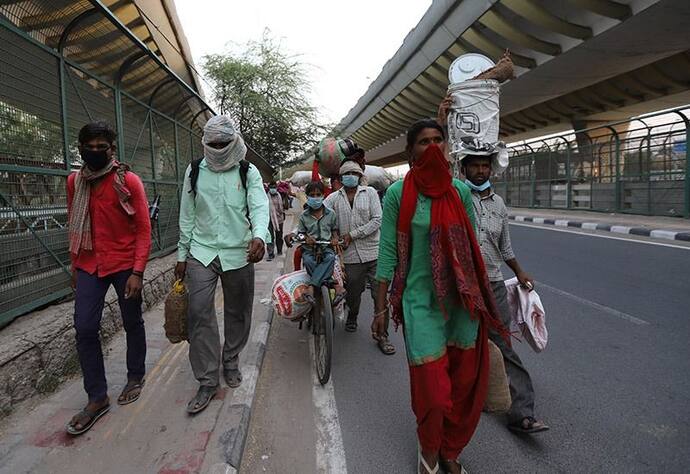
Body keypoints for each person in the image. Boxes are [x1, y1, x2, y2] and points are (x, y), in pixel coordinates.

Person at [372, 119, 507, 474]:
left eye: (437, 140)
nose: (432, 147)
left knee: (463, 387)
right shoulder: (398, 195)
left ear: (447, 146)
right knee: (432, 392)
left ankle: (450, 450)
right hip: (420, 304)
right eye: (422, 142)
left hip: (461, 304)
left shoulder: (461, 192)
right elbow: (388, 252)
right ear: (410, 151)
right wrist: (380, 308)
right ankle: (429, 450)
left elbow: (471, 250)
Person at [175, 115, 269, 414]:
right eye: (212, 144)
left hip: (239, 251)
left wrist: (259, 236)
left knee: (238, 311)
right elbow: (187, 213)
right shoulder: (194, 171)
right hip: (201, 251)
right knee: (197, 311)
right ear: (205, 143)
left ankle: (230, 360)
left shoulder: (247, 170)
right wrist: (181, 254)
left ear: (233, 141)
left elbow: (258, 204)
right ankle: (207, 378)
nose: (217, 148)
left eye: (223, 144)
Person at [65, 121, 151, 435]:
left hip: (125, 263)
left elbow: (143, 229)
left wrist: (138, 272)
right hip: (89, 263)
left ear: (112, 150)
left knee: (132, 321)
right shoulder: (75, 182)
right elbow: (74, 222)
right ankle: (97, 397)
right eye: (91, 147)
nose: (97, 152)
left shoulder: (129, 180)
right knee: (85, 327)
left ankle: (135, 375)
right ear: (81, 149)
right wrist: (75, 267)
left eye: (103, 147)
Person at [461, 153, 549, 434]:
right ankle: (466, 400)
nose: (480, 170)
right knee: (463, 341)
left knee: (501, 343)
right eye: (474, 165)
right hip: (462, 284)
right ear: (464, 168)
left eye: (485, 165)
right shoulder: (457, 195)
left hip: (494, 282)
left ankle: (521, 413)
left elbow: (505, 246)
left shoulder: (498, 204)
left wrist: (519, 271)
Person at [324, 160, 395, 355]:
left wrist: (352, 235)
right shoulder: (333, 199)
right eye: (347, 174)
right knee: (353, 294)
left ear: (359, 176)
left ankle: (383, 335)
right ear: (341, 178)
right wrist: (332, 233)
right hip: (351, 257)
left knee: (379, 297)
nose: (351, 177)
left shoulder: (370, 193)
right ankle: (352, 316)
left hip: (373, 252)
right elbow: (319, 215)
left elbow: (377, 220)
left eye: (354, 173)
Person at [286, 181, 340, 301]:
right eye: (312, 195)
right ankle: (333, 283)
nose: (315, 198)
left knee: (330, 258)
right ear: (307, 197)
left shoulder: (331, 214)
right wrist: (306, 238)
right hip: (310, 249)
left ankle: (311, 286)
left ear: (323, 196)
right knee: (308, 260)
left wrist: (335, 239)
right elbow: (301, 233)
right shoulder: (303, 216)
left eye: (318, 194)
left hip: (326, 247)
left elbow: (334, 230)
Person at [266, 181, 285, 261]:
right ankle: (270, 253)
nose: (273, 189)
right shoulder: (266, 196)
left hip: (279, 218)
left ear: (276, 188)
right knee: (270, 237)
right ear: (269, 188)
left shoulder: (279, 196)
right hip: (269, 219)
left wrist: (282, 214)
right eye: (271, 187)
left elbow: (282, 207)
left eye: (274, 187)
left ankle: (279, 250)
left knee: (279, 236)